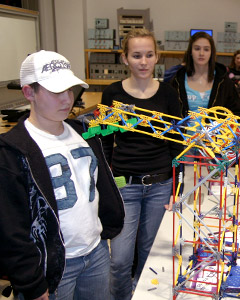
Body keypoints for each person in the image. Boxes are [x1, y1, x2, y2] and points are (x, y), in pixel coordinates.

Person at [0, 50, 125, 300]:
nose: (66, 99)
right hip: (53, 265)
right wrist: (32, 282)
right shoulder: (13, 150)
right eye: (55, 92)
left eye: (69, 90)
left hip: (95, 252)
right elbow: (10, 227)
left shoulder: (84, 132)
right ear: (29, 92)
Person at [101, 29, 184, 300]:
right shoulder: (112, 93)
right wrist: (106, 179)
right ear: (125, 58)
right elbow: (104, 140)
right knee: (120, 259)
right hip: (125, 185)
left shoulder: (169, 95)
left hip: (161, 184)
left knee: (150, 254)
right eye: (136, 55)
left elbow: (177, 143)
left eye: (149, 55)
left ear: (157, 56)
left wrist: (177, 186)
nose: (143, 61)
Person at [171, 31, 240, 118]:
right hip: (184, 131)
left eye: (206, 49)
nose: (201, 53)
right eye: (197, 49)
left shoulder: (224, 82)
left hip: (215, 131)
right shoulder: (177, 80)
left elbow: (236, 113)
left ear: (211, 52)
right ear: (190, 51)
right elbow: (169, 112)